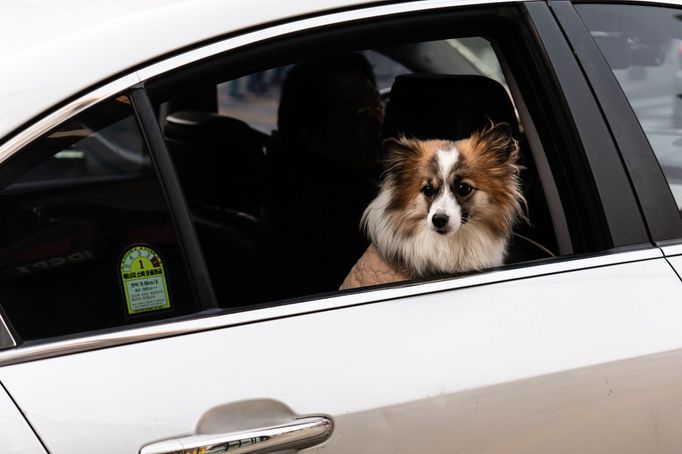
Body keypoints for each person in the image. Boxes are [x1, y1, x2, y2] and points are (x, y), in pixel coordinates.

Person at [262, 53, 384, 291]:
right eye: (360, 113)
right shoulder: (345, 213)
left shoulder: (280, 180)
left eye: (378, 107)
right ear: (311, 135)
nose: (377, 125)